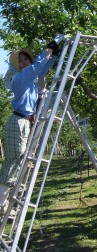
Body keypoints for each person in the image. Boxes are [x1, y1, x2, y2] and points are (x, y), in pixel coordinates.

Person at [0, 40, 59, 213]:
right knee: (13, 161)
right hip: (17, 121)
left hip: (26, 122)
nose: (24, 63)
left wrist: (53, 55)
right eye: (21, 61)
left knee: (19, 161)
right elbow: (37, 68)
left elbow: (42, 69)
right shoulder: (20, 79)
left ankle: (6, 201)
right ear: (18, 66)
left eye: (27, 60)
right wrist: (47, 51)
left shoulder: (31, 82)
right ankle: (1, 202)